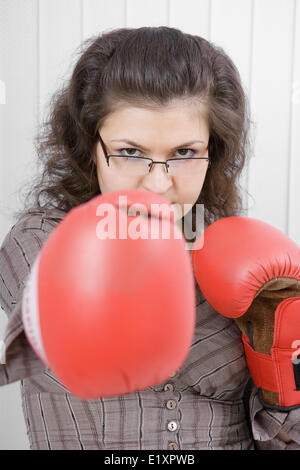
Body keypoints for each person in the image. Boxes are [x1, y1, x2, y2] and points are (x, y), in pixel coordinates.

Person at [0, 26, 299, 450]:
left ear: (213, 149)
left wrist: (282, 366)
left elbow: (284, 439)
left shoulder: (235, 254)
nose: (158, 184)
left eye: (183, 153)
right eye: (131, 151)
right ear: (90, 144)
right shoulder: (40, 241)